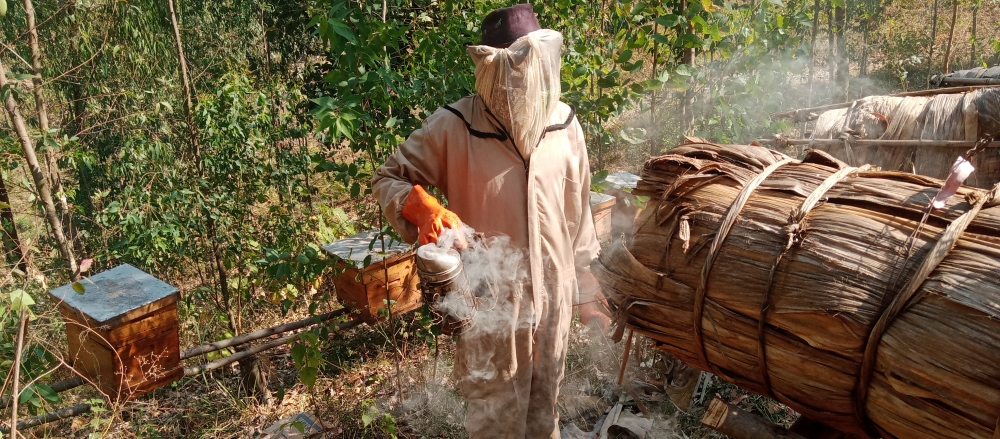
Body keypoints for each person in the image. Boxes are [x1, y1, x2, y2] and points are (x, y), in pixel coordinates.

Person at [372, 4, 607, 437]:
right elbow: (388, 178)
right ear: (490, 69)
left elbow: (579, 213)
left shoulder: (565, 123)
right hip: (488, 306)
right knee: (495, 420)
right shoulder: (454, 125)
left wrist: (587, 289)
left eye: (528, 66)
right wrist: (422, 208)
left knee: (545, 413)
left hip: (555, 299)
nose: (521, 79)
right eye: (512, 68)